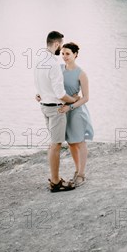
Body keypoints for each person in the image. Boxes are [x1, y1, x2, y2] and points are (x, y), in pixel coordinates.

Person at [34, 31, 79, 192]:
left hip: (45, 106)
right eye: (61, 45)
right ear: (56, 44)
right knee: (56, 145)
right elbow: (60, 94)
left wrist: (41, 94)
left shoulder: (39, 58)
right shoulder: (53, 63)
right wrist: (74, 100)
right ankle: (55, 181)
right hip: (55, 109)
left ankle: (55, 178)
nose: (61, 50)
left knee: (52, 144)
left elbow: (38, 81)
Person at [57, 42, 94, 187]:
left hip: (76, 111)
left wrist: (70, 106)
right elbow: (52, 86)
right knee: (71, 142)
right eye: (63, 54)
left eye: (68, 54)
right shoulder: (59, 69)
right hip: (63, 111)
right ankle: (77, 170)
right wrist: (40, 94)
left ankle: (81, 174)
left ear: (75, 55)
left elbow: (85, 98)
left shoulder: (81, 73)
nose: (64, 57)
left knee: (79, 142)